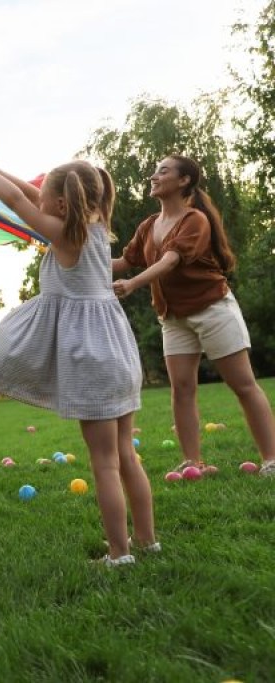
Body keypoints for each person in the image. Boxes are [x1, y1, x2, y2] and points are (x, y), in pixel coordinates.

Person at [0, 151, 156, 567]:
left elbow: (17, 200)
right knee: (125, 456)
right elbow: (32, 194)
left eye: (46, 200)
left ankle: (119, 553)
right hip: (119, 353)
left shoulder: (67, 236)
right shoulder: (96, 228)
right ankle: (146, 540)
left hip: (92, 359)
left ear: (63, 205)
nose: (39, 203)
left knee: (104, 463)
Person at [113, 154, 275, 477]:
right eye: (155, 171)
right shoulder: (148, 226)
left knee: (243, 384)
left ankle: (272, 459)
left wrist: (132, 284)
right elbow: (123, 262)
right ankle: (192, 461)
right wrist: (77, 260)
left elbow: (171, 260)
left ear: (184, 180)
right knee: (182, 389)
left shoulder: (194, 220)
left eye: (163, 171)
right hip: (173, 317)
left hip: (212, 308)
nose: (153, 176)